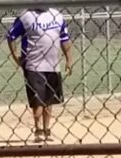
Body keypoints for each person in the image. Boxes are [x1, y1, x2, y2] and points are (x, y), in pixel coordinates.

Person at [7, 7, 74, 143]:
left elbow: (64, 39)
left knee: (49, 99)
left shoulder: (57, 16)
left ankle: (46, 129)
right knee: (37, 99)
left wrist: (69, 59)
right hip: (33, 64)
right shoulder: (26, 16)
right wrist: (15, 56)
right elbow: (11, 36)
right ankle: (38, 131)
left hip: (53, 65)